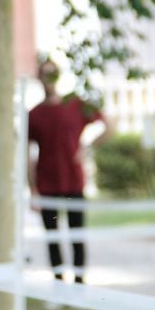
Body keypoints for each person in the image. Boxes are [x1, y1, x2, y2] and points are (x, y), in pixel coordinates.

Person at [28, 59, 111, 285]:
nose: (49, 79)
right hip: (47, 184)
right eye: (45, 74)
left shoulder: (75, 105)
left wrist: (87, 147)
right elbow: (27, 153)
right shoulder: (34, 114)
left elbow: (108, 125)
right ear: (38, 78)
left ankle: (79, 282)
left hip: (73, 182)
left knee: (77, 234)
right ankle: (58, 282)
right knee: (53, 237)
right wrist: (33, 188)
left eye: (53, 73)